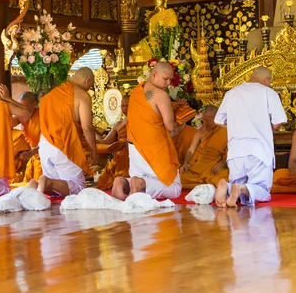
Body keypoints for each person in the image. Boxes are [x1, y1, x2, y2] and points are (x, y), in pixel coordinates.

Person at [214, 67, 288, 207]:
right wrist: (266, 130)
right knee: (262, 190)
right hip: (259, 150)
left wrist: (237, 129)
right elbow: (278, 120)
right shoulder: (268, 92)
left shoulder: (232, 93)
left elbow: (218, 120)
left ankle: (229, 188)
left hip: (236, 151)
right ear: (266, 79)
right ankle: (239, 188)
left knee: (238, 183)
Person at [112, 62, 183, 200]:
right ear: (154, 74)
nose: (168, 83)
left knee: (140, 176)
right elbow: (170, 126)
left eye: (170, 80)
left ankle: (123, 183)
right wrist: (181, 122)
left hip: (134, 148)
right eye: (166, 79)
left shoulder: (137, 91)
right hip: (153, 148)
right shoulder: (161, 95)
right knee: (175, 189)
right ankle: (140, 184)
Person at [30, 67, 99, 196]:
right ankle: (47, 182)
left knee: (57, 193)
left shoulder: (50, 96)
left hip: (45, 144)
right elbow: (87, 128)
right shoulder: (82, 95)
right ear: (87, 80)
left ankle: (36, 184)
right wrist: (93, 150)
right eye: (91, 84)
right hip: (64, 144)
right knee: (78, 187)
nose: (91, 87)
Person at [180, 105, 229, 189]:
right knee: (179, 178)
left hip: (215, 168)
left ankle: (208, 183)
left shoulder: (225, 131)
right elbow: (191, 150)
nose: (205, 123)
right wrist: (185, 163)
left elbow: (232, 152)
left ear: (216, 118)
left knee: (223, 178)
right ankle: (207, 183)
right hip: (199, 167)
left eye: (209, 120)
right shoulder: (200, 132)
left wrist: (222, 163)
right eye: (204, 119)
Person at [95, 96, 130, 190]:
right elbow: (105, 141)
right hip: (117, 155)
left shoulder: (139, 122)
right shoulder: (118, 124)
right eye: (123, 106)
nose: (125, 108)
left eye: (128, 105)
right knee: (103, 183)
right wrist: (92, 132)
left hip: (130, 155)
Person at [10, 92, 42, 187]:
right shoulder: (21, 116)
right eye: (20, 107)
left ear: (34, 105)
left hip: (44, 157)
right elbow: (8, 123)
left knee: (42, 187)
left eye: (24, 107)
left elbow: (47, 142)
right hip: (34, 158)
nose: (22, 111)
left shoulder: (42, 117)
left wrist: (31, 152)